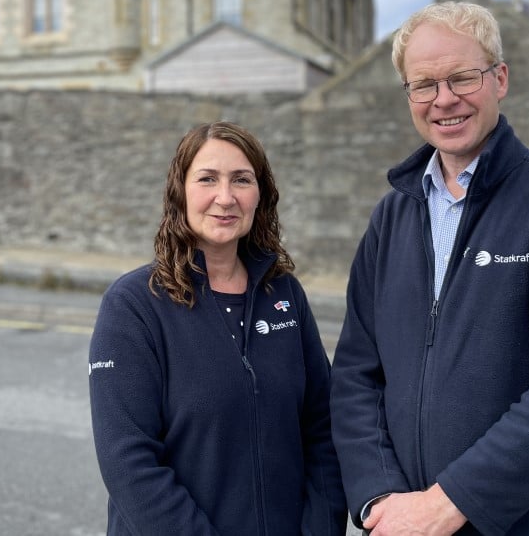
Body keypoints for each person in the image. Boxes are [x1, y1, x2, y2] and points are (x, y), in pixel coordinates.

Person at [330, 1, 529, 535]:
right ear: (408, 96)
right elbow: (356, 374)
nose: (444, 100)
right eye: (424, 85)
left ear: (500, 79)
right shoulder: (392, 216)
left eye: (463, 78)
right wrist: (380, 498)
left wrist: (445, 506)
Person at [88, 121, 347, 536]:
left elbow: (322, 430)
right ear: (180, 192)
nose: (225, 198)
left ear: (260, 195)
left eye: (241, 180)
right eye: (207, 178)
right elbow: (128, 462)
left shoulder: (284, 293)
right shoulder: (133, 305)